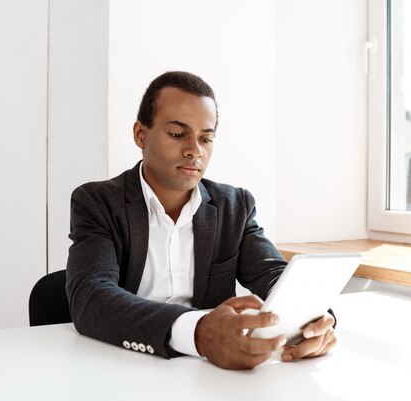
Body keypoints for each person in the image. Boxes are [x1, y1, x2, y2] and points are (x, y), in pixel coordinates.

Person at [66, 71, 336, 370]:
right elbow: (91, 298)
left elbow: (273, 275)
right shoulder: (98, 202)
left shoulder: (234, 206)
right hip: (118, 365)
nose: (195, 150)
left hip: (207, 376)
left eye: (206, 138)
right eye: (178, 134)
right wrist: (197, 331)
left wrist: (315, 318)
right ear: (141, 134)